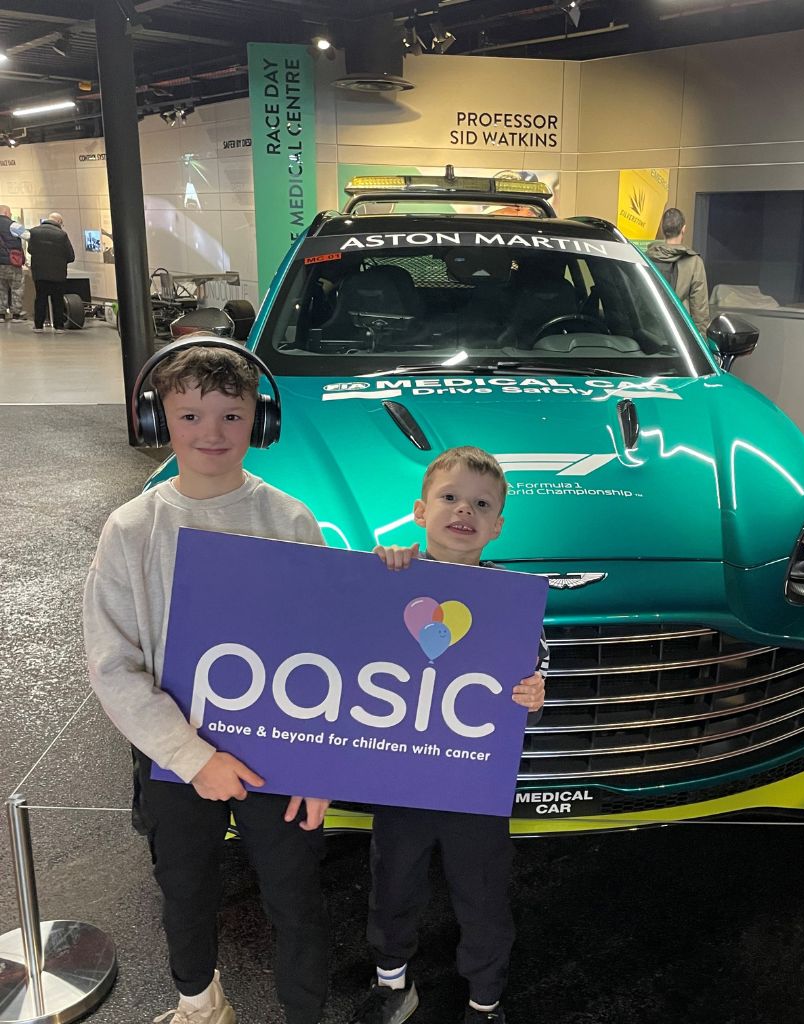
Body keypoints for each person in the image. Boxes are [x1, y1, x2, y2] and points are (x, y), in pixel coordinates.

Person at [82, 338, 331, 1024]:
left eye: (230, 414)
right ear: (158, 421)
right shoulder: (132, 528)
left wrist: (317, 763)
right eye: (189, 416)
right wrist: (194, 757)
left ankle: (304, 1012)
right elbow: (113, 664)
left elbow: (324, 652)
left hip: (279, 750)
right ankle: (200, 1002)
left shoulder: (289, 521)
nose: (211, 433)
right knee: (184, 889)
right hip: (174, 754)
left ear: (261, 421)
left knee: (294, 893)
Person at [353, 446, 548, 1024]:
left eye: (481, 504)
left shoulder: (511, 600)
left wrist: (535, 690)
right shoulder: (392, 577)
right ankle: (392, 982)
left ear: (497, 525)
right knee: (392, 886)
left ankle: (485, 1001)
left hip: (474, 783)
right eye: (450, 498)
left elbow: (535, 663)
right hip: (404, 776)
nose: (464, 510)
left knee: (483, 895)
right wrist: (377, 569)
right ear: (419, 510)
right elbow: (348, 642)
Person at [647, 207, 711, 335]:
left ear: (662, 229)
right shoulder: (694, 262)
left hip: (648, 333)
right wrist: (702, 345)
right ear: (683, 229)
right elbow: (700, 312)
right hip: (679, 337)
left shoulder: (645, 258)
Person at [27, 211, 75, 332]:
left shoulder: (34, 232)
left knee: (40, 298)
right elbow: (71, 256)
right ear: (59, 222)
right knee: (57, 299)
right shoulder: (62, 235)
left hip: (39, 273)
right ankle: (59, 326)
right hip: (58, 274)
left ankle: (38, 325)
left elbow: (30, 250)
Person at [0, 204, 25, 320]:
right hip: (12, 262)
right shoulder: (13, 225)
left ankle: (1, 314)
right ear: (5, 212)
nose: (10, 215)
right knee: (17, 288)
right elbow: (28, 235)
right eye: (10, 213)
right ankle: (16, 314)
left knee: (1, 289)